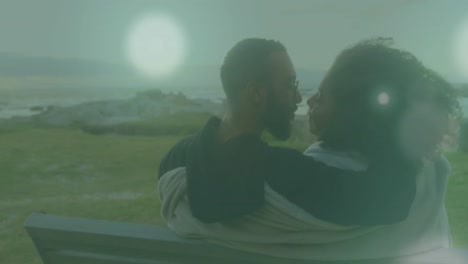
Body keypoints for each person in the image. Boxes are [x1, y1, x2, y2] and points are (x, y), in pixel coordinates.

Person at [158, 38, 422, 226]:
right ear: (256, 93)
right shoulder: (280, 170)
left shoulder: (178, 156)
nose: (298, 97)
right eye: (289, 85)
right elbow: (389, 201)